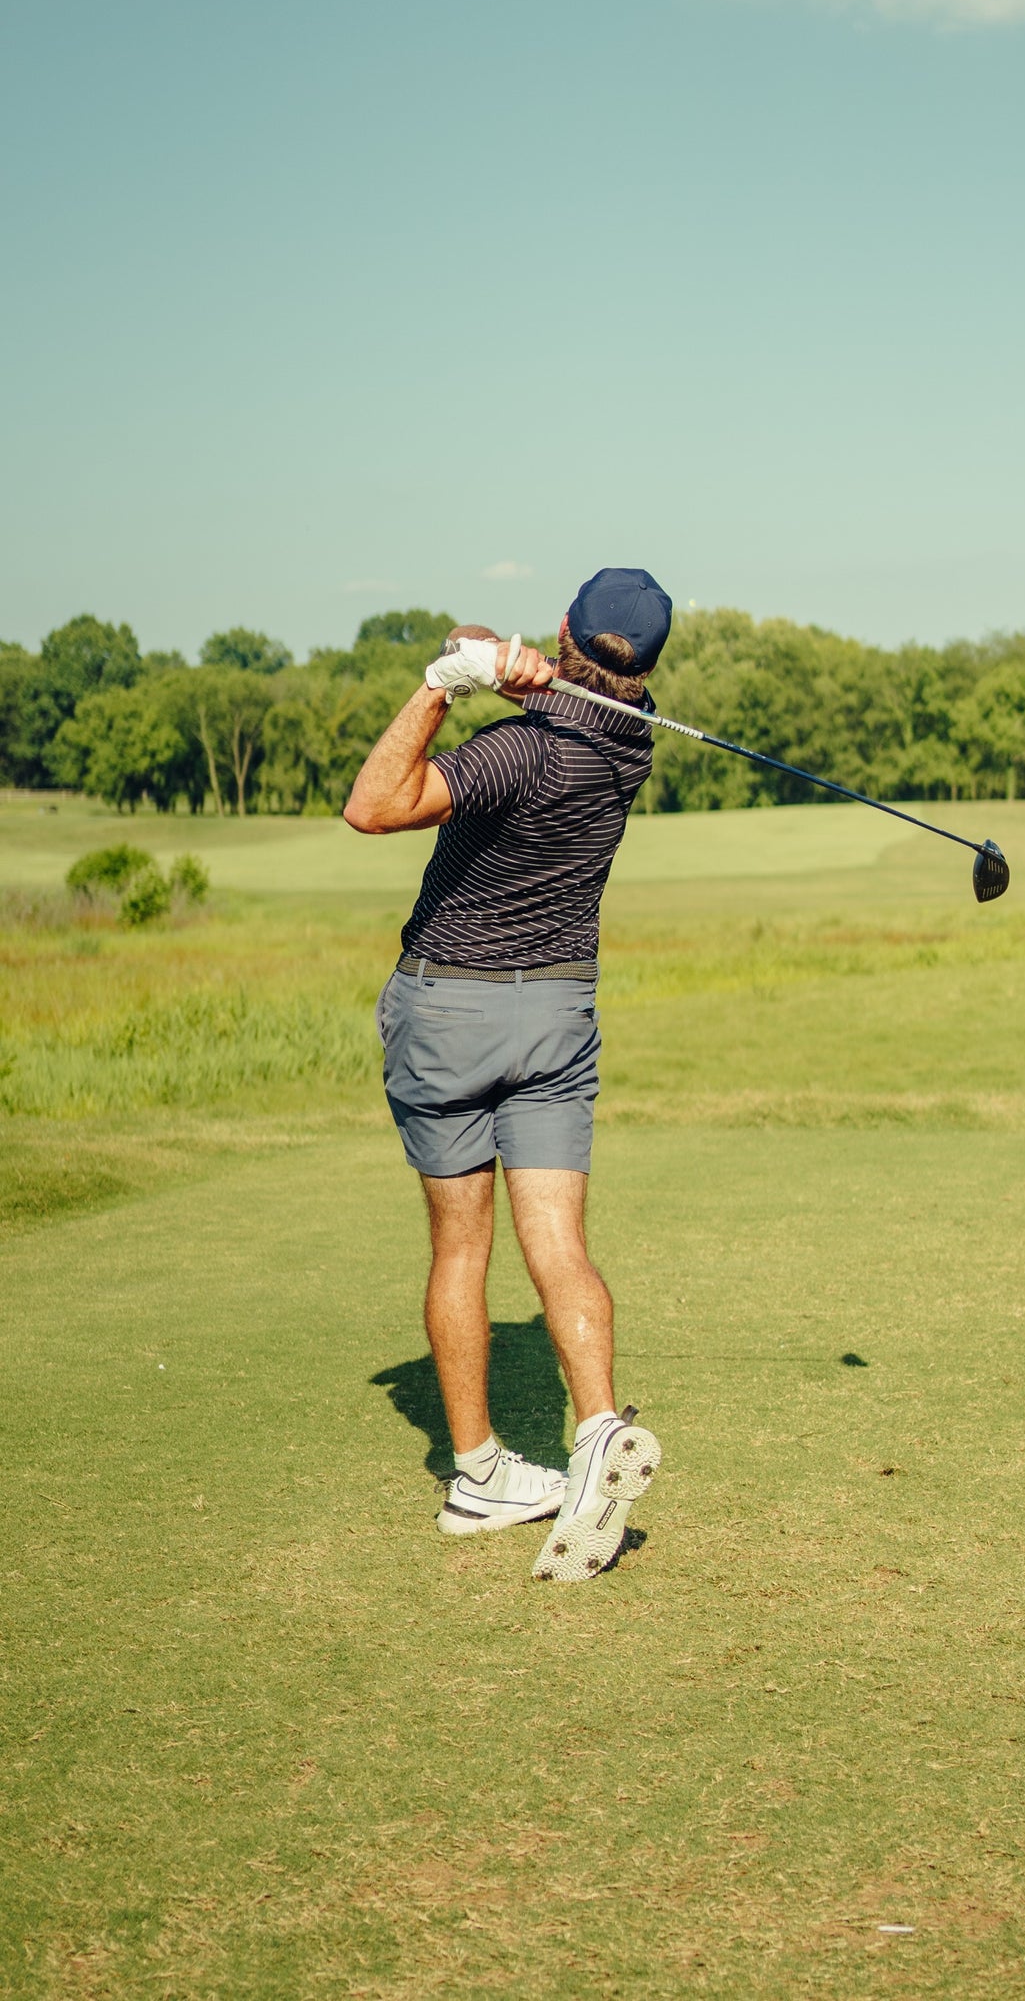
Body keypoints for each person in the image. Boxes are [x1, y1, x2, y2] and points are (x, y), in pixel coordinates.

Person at [343, 567, 672, 1583]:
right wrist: (485, 652)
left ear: (564, 629)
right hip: (556, 1013)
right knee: (558, 1244)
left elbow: (374, 804)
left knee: (460, 1247)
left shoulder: (514, 751)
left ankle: (480, 1470)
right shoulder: (629, 738)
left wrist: (442, 681)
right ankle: (594, 1433)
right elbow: (544, 678)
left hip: (447, 1010)